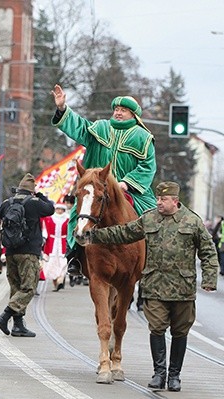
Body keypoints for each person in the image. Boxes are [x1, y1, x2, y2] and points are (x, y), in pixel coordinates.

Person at [77, 181, 218, 392]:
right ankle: (159, 373)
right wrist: (93, 235)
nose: (159, 202)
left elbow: (208, 250)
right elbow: (123, 233)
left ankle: (174, 375)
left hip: (183, 288)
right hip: (155, 287)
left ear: (175, 201)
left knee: (180, 331)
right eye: (158, 199)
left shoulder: (192, 221)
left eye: (163, 199)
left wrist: (209, 278)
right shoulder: (149, 219)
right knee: (157, 328)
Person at [51, 84, 157, 276]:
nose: (118, 113)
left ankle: (151, 260)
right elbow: (80, 128)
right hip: (96, 186)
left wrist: (126, 183)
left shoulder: (144, 138)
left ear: (134, 115)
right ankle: (75, 254)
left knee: (152, 217)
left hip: (130, 189)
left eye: (123, 110)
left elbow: (148, 167)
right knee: (78, 214)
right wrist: (62, 109)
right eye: (116, 109)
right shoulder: (100, 127)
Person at [0, 173, 54, 337]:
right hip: (28, 252)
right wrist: (40, 195)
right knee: (28, 288)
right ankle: (5, 317)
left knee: (16, 288)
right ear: (32, 190)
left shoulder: (8, 202)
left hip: (11, 251)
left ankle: (18, 326)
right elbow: (50, 209)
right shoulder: (35, 203)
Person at [41, 203, 68, 291]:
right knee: (51, 263)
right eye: (58, 209)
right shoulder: (49, 219)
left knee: (63, 263)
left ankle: (60, 280)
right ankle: (56, 283)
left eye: (61, 209)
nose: (59, 211)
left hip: (63, 243)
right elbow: (44, 230)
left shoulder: (68, 219)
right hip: (51, 244)